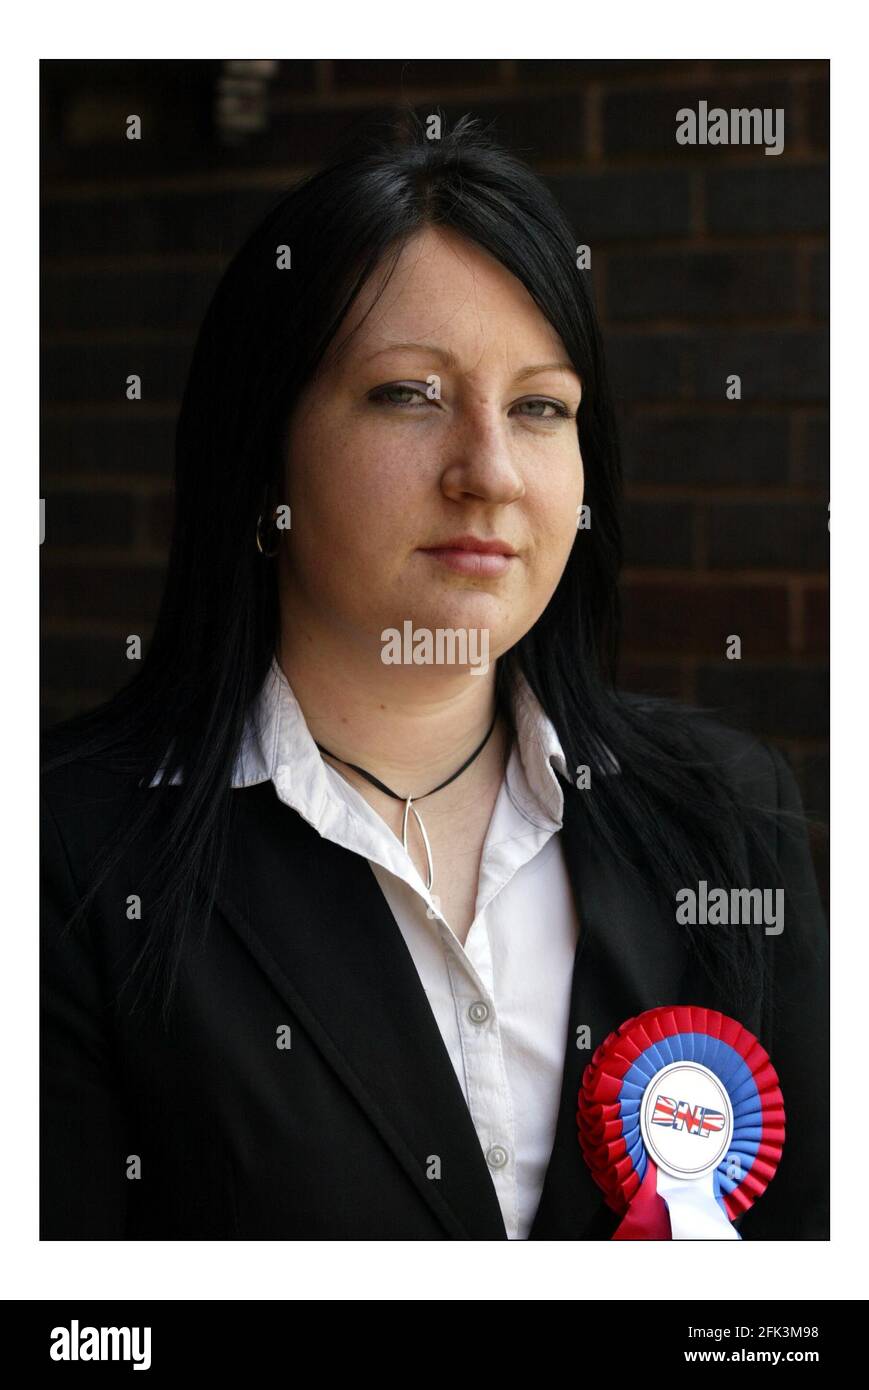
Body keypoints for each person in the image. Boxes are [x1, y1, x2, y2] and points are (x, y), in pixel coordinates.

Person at [41, 112, 828, 1240]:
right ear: (262, 452)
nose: (490, 471)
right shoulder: (66, 857)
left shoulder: (725, 814)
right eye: (409, 393)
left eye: (539, 407)